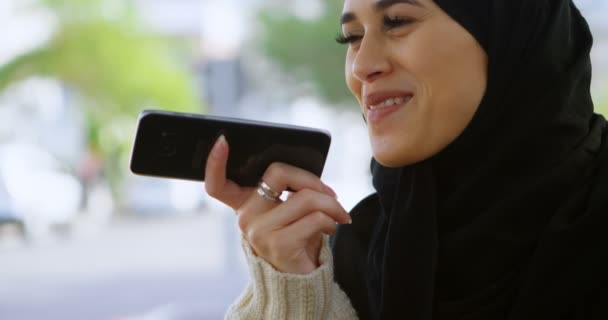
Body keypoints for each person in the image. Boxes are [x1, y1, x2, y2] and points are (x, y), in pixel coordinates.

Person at [204, 0, 608, 319]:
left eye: (396, 21)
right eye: (352, 37)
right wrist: (292, 297)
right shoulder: (351, 256)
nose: (362, 66)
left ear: (509, 35)